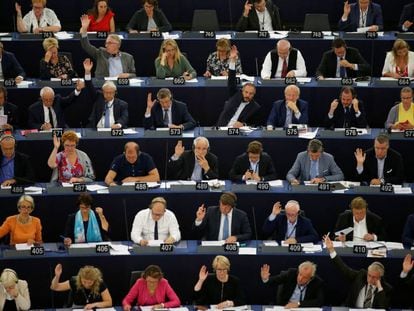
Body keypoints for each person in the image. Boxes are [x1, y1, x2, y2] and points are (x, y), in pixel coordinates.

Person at [324, 235, 392, 308]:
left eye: (374, 277)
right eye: (369, 275)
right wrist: (331, 250)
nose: (370, 279)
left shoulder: (386, 289)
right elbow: (344, 268)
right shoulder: (360, 276)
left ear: (380, 277)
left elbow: (383, 307)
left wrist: (380, 288)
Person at [217, 46, 260, 127]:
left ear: (254, 95)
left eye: (251, 93)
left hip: (238, 132)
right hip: (222, 128)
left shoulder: (255, 107)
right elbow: (231, 81)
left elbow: (255, 124)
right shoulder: (235, 95)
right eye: (246, 92)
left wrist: (243, 124)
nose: (248, 95)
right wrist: (232, 61)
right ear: (242, 91)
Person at [83, 58, 129, 128]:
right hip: (97, 130)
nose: (108, 95)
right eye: (106, 92)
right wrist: (87, 72)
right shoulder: (98, 98)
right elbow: (89, 86)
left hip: (113, 130)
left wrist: (119, 125)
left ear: (115, 93)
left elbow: (124, 117)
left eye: (111, 92)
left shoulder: (122, 104)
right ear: (102, 92)